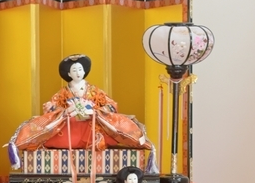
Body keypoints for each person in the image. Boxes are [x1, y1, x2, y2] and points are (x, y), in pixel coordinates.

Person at [9, 54, 156, 166]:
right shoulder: (63, 93)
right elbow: (50, 108)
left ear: (84, 71)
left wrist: (95, 112)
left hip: (91, 125)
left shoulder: (94, 91)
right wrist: (65, 111)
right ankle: (17, 143)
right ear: (69, 74)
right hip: (69, 126)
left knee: (117, 126)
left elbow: (112, 105)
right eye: (74, 70)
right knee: (44, 127)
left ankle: (144, 143)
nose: (78, 72)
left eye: (80, 69)